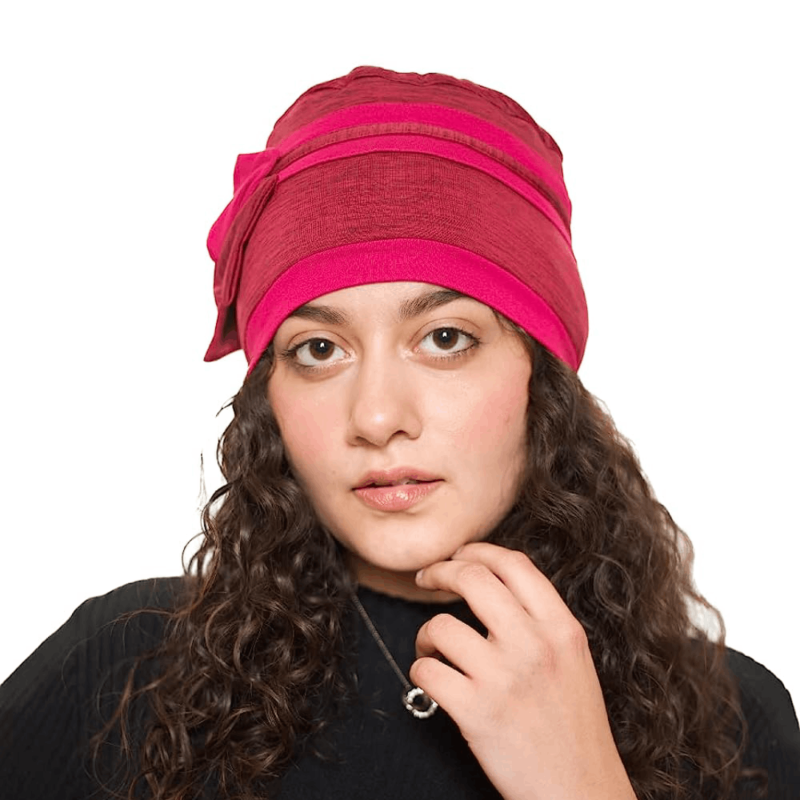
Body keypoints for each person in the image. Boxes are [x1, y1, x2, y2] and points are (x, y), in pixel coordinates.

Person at [1, 66, 798, 800]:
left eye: (445, 338)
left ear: (540, 376)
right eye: (319, 350)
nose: (378, 417)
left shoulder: (737, 721)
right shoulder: (124, 669)